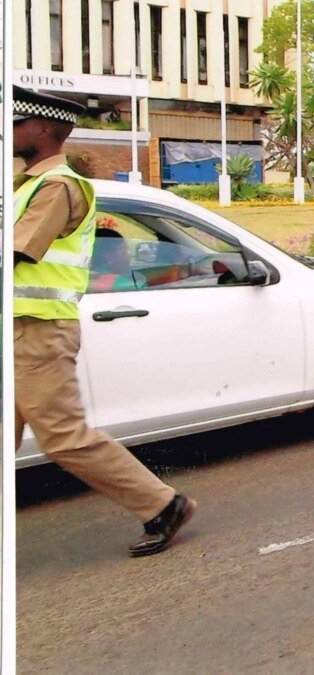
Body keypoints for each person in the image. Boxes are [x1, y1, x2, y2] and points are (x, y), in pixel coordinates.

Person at [10, 86, 197, 557]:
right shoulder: (27, 183)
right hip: (17, 329)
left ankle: (162, 504)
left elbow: (14, 252)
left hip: (39, 332)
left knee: (63, 436)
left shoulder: (57, 187)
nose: (9, 131)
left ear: (46, 130)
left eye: (17, 123)